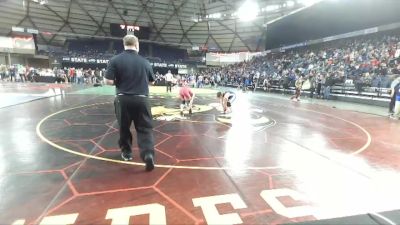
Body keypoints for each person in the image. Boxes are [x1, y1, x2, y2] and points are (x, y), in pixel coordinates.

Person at [105, 35, 155, 171]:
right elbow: (152, 81)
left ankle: (127, 153)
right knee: (145, 128)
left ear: (124, 44)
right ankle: (148, 154)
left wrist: (120, 82)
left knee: (124, 127)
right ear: (137, 44)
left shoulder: (115, 60)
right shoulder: (145, 62)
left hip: (123, 99)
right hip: (142, 99)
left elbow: (108, 81)